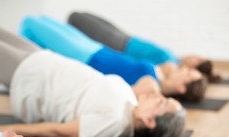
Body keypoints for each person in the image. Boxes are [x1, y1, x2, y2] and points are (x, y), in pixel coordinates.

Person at [0, 27, 186, 137]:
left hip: (32, 80)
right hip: (46, 63)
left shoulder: (115, 124)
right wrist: (156, 89)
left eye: (162, 103)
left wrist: (5, 130)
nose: (157, 96)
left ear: (150, 121)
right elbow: (149, 81)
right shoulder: (131, 103)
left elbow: (60, 131)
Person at [20, 15, 207, 102]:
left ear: (182, 87)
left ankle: (20, 66)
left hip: (86, 58)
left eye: (188, 75)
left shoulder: (151, 89)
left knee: (30, 24)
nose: (185, 69)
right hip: (97, 48)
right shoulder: (162, 74)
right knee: (44, 20)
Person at [68, 11, 221, 83]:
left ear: (194, 65)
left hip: (118, 44)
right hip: (125, 37)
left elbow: (139, 67)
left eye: (197, 59)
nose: (193, 55)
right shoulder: (174, 60)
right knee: (78, 17)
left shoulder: (169, 65)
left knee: (75, 18)